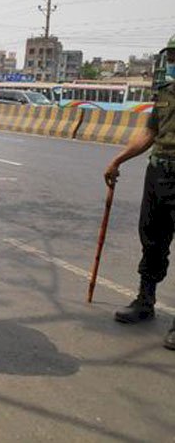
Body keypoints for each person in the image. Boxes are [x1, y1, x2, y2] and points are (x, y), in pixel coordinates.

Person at [104, 33, 175, 351]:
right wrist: (118, 159)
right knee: (152, 237)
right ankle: (145, 301)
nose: (172, 63)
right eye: (171, 57)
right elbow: (149, 133)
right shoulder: (164, 94)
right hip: (159, 172)